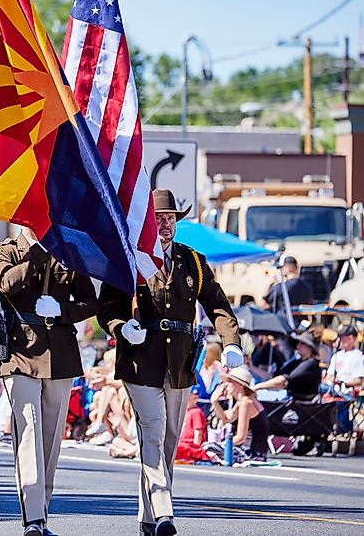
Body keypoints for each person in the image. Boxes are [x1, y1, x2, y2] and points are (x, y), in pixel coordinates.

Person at [98, 189, 243, 536]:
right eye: (158, 218)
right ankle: (165, 513)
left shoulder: (192, 261)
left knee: (169, 440)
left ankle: (148, 519)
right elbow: (108, 308)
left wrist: (231, 342)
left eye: (169, 218)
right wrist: (121, 327)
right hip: (141, 358)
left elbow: (217, 304)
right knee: (152, 431)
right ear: (146, 221)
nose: (164, 224)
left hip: (179, 362)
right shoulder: (131, 259)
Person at [0, 226, 98, 536]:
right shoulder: (6, 250)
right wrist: (39, 250)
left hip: (60, 354)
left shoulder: (69, 251)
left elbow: (90, 302)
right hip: (20, 350)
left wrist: (62, 310)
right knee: (28, 433)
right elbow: (7, 283)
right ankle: (33, 518)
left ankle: (42, 511)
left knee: (50, 441)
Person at [205, 366, 269, 464]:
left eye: (230, 381)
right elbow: (227, 419)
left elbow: (240, 437)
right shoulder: (243, 401)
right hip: (251, 451)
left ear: (240, 385)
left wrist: (220, 445)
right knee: (208, 448)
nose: (226, 384)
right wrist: (214, 401)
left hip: (251, 453)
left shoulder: (246, 403)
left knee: (207, 448)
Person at [253, 332, 322, 403]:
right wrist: (251, 367)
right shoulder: (296, 362)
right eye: (299, 343)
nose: (298, 345)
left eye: (302, 343)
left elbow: (284, 381)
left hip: (304, 406)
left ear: (310, 348)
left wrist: (258, 387)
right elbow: (275, 376)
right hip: (293, 401)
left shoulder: (311, 364)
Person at [325, 324, 364, 396]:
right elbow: (328, 375)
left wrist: (342, 383)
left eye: (343, 338)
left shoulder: (358, 356)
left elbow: (359, 381)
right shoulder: (337, 355)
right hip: (330, 389)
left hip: (346, 393)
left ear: (351, 338)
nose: (340, 340)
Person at [175, 386, 208, 462]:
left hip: (190, 446)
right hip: (183, 443)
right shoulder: (186, 412)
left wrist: (196, 449)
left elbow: (198, 432)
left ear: (195, 397)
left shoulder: (196, 412)